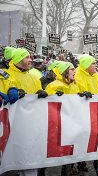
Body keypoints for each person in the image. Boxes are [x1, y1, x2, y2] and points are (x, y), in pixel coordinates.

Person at [7, 48, 47, 176]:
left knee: (30, 157)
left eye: (30, 57)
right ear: (18, 59)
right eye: (27, 57)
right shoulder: (6, 75)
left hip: (31, 124)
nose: (30, 60)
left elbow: (38, 93)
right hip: (12, 124)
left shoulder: (34, 77)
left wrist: (42, 94)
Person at [74, 54, 98, 175]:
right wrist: (81, 94)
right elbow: (73, 91)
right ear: (86, 65)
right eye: (93, 63)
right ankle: (78, 164)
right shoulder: (77, 76)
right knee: (81, 139)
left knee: (97, 138)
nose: (95, 65)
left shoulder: (96, 75)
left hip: (95, 112)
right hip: (81, 113)